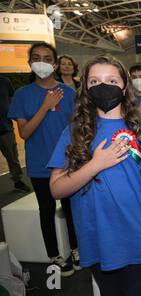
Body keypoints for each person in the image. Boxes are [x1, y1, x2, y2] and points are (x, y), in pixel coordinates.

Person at [48, 54, 141, 296]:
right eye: (94, 81)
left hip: (137, 234)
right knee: (109, 294)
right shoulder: (74, 132)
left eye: (111, 80)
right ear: (85, 87)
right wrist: (95, 165)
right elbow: (57, 189)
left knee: (137, 294)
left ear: (124, 85)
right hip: (96, 236)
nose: (103, 86)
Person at [8, 42, 80, 276]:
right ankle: (54, 255)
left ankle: (77, 249)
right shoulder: (22, 94)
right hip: (40, 164)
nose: (42, 62)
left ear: (55, 63)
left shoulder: (69, 93)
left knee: (72, 209)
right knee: (47, 210)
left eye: (47, 58)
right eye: (37, 57)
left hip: (68, 163)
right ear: (30, 63)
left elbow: (77, 127)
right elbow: (24, 133)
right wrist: (45, 106)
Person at [0, 75, 31, 192]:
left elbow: (12, 100)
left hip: (5, 127)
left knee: (12, 157)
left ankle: (17, 180)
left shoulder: (4, 81)